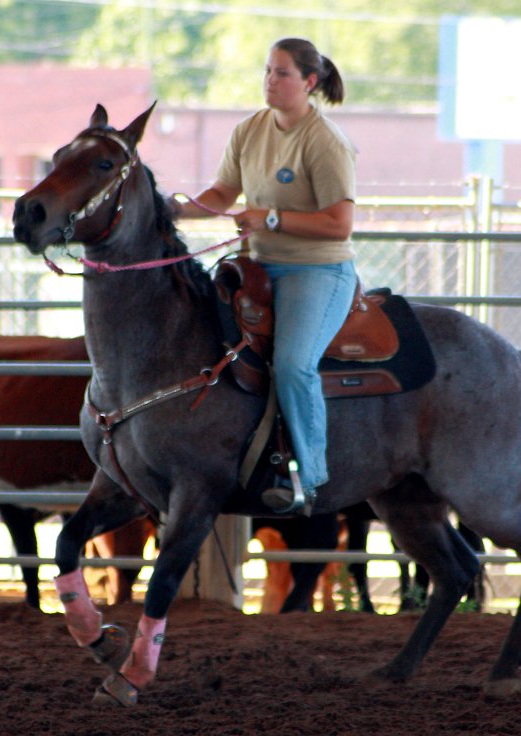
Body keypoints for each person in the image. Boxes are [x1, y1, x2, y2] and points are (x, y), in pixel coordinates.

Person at [170, 37, 357, 515]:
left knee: (293, 364)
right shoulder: (249, 129)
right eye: (268, 71)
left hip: (316, 269)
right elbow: (222, 192)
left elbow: (339, 224)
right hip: (256, 268)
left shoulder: (325, 141)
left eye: (282, 73)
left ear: (309, 82)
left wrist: (271, 218)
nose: (270, 81)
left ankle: (310, 479)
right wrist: (171, 210)